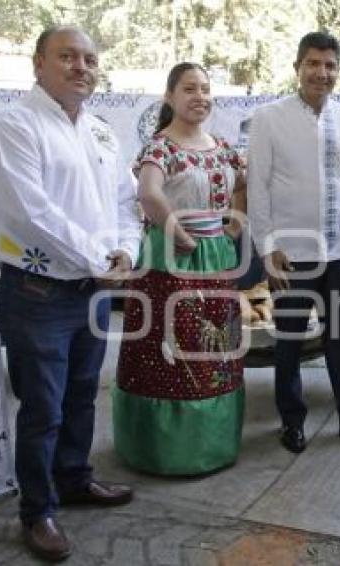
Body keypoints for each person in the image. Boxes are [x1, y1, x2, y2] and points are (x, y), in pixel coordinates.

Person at [0, 26, 140, 562]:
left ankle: (73, 478)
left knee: (81, 395)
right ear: (38, 63)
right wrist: (101, 257)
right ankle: (38, 510)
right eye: (67, 56)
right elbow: (32, 212)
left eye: (90, 59)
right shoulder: (13, 127)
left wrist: (125, 253)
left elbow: (126, 203)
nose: (81, 67)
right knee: (42, 408)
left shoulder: (103, 132)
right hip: (36, 292)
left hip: (92, 290)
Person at [247, 31, 340, 454]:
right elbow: (257, 188)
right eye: (313, 63)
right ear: (298, 68)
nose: (322, 72)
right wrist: (266, 246)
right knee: (289, 342)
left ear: (338, 71)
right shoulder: (268, 117)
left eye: (330, 65)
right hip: (290, 254)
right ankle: (291, 422)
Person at [114, 62, 246, 475]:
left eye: (206, 89)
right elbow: (148, 193)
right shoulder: (160, 147)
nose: (200, 97)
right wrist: (177, 232)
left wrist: (235, 223)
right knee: (169, 349)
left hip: (217, 258)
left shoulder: (223, 147)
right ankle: (164, 449)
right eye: (189, 88)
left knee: (215, 349)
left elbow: (242, 185)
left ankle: (214, 442)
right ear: (170, 96)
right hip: (170, 258)